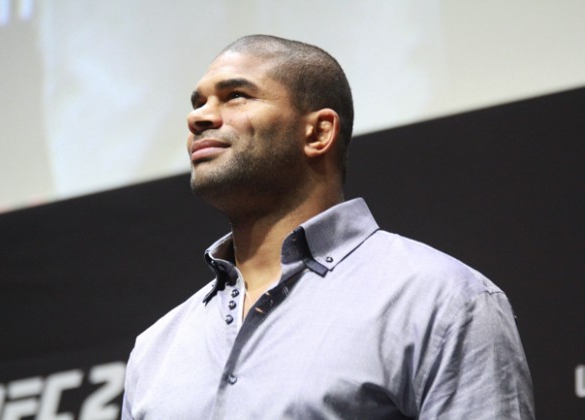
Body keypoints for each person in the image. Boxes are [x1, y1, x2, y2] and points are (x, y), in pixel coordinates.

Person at [122, 34, 534, 419]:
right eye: (198, 103)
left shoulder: (440, 299)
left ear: (318, 132)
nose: (200, 117)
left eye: (235, 96)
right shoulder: (156, 348)